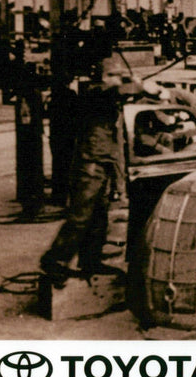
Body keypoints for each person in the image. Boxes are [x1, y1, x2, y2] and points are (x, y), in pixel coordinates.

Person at [40, 55, 142, 287]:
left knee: (98, 216)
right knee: (81, 216)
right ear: (105, 76)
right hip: (90, 164)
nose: (119, 80)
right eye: (115, 76)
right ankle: (54, 261)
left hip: (102, 163)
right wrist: (136, 83)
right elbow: (125, 90)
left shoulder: (106, 96)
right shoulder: (96, 93)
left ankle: (91, 261)